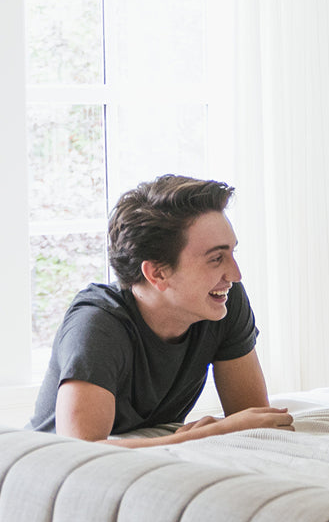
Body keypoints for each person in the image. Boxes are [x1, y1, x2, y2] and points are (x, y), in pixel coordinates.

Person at [28, 176, 292, 446]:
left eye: (232, 253)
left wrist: (221, 429)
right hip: (45, 471)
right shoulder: (97, 326)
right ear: (157, 273)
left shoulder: (223, 301)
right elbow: (82, 451)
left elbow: (252, 418)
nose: (235, 274)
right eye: (216, 258)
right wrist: (209, 433)